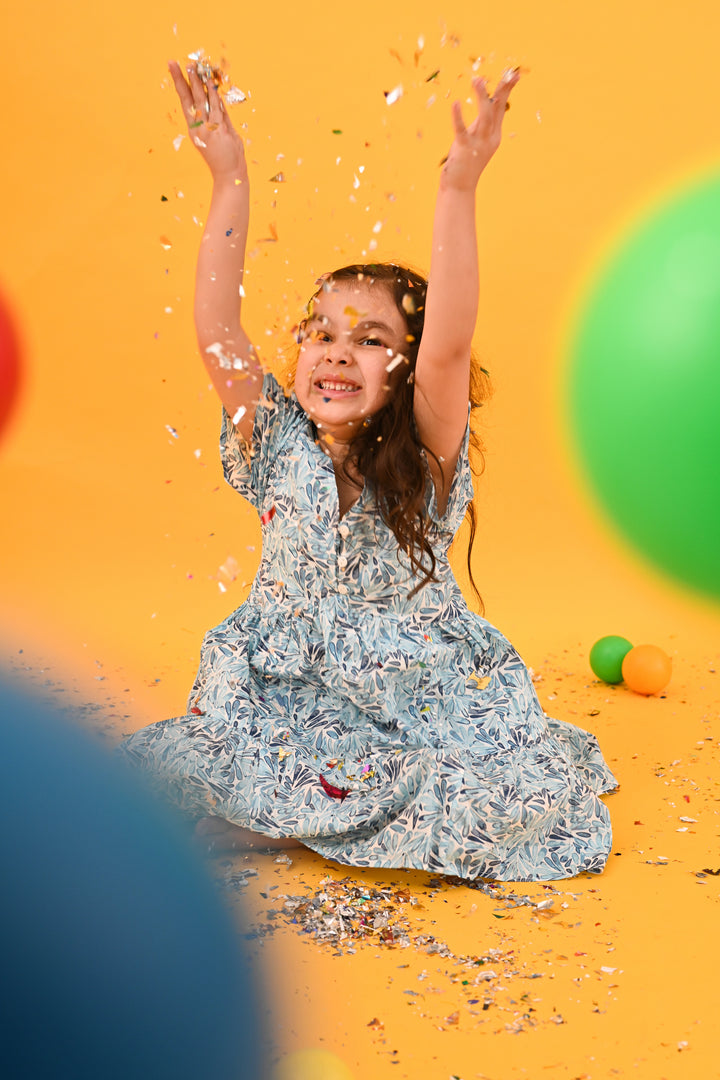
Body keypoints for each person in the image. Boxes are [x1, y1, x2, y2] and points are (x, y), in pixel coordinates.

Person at [119, 59, 617, 881]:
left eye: (370, 338)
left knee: (510, 800)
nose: (336, 352)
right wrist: (229, 176)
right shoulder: (275, 438)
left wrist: (458, 190)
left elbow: (451, 336)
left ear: (406, 367)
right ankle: (295, 810)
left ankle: (295, 821)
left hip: (415, 693)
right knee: (169, 772)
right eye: (320, 333)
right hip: (285, 684)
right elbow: (217, 326)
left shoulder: (424, 448)